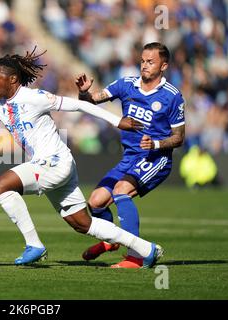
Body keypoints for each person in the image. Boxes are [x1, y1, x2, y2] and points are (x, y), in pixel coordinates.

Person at [0, 47, 163, 268]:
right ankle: (146, 249)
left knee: (1, 186)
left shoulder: (35, 97)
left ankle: (34, 245)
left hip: (55, 162)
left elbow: (79, 105)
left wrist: (117, 121)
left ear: (13, 79)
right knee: (83, 224)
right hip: (52, 165)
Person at [75, 42, 185, 268]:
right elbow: (93, 101)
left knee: (121, 190)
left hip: (156, 158)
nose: (144, 65)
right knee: (95, 202)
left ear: (163, 65)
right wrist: (84, 92)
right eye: (143, 61)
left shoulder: (172, 96)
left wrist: (156, 143)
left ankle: (136, 256)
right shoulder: (126, 84)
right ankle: (111, 241)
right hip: (129, 157)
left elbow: (179, 137)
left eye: (150, 62)